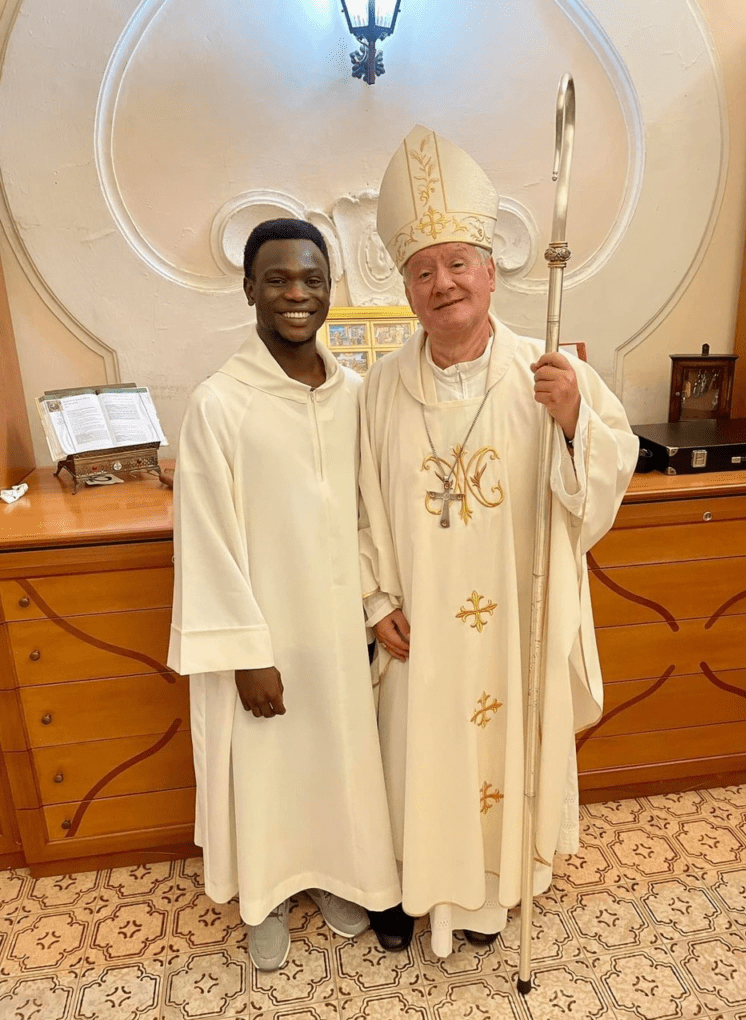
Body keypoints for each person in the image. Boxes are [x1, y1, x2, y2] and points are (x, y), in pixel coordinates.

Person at [359, 126, 639, 957]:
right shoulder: (378, 389)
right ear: (406, 287)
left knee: (502, 745)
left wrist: (572, 424)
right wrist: (375, 599)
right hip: (420, 626)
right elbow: (359, 508)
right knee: (415, 747)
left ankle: (491, 891)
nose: (441, 283)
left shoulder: (550, 375)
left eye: (456, 263)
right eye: (422, 270)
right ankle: (415, 885)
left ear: (489, 269)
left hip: (514, 621)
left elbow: (599, 492)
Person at [168, 219, 400, 971]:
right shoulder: (220, 403)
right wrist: (245, 655)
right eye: (278, 280)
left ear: (330, 289)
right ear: (249, 291)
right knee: (264, 768)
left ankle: (335, 876)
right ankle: (264, 897)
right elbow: (205, 540)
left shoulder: (354, 395)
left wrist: (373, 604)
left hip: (334, 632)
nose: (296, 294)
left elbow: (370, 511)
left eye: (311, 279)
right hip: (262, 632)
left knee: (335, 756)